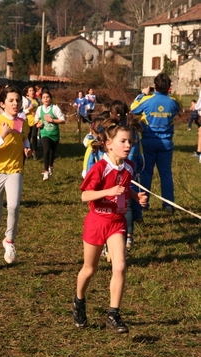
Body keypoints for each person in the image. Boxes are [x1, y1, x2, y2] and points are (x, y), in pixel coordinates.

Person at [73, 122, 147, 333]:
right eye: (123, 141)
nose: (127, 146)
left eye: (130, 142)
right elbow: (85, 195)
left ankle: (113, 314)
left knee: (120, 266)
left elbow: (123, 189)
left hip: (117, 222)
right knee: (89, 269)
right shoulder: (99, 167)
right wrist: (107, 192)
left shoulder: (129, 166)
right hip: (97, 222)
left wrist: (135, 196)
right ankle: (79, 301)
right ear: (108, 144)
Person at [0, 85, 31, 269]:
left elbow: (24, 136)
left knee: (14, 206)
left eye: (17, 100)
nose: (15, 103)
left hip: (14, 170)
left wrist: (26, 146)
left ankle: (9, 242)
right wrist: (1, 136)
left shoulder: (23, 121)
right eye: (11, 100)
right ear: (2, 104)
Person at [130, 73, 181, 214]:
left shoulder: (147, 99)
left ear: (155, 86)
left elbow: (133, 108)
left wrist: (142, 94)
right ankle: (168, 204)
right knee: (166, 173)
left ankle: (143, 204)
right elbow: (179, 107)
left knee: (146, 173)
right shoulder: (173, 101)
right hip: (166, 143)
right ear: (169, 87)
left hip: (148, 142)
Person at [109, 100, 145, 250]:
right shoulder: (132, 132)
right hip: (130, 178)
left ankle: (111, 239)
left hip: (111, 179)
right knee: (126, 206)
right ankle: (128, 236)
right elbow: (141, 159)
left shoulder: (111, 132)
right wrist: (137, 171)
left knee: (112, 208)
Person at [35, 90, 65, 181]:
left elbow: (63, 120)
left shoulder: (55, 108)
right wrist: (38, 124)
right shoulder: (39, 109)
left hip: (54, 134)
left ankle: (50, 166)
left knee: (52, 153)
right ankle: (46, 172)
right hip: (45, 133)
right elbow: (36, 120)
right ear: (41, 99)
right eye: (44, 97)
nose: (46, 99)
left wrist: (52, 120)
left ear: (51, 99)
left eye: (47, 97)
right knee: (46, 150)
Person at [22, 85, 40, 160]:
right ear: (27, 93)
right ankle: (27, 152)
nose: (32, 92)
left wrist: (37, 114)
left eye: (33, 90)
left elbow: (40, 110)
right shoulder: (26, 100)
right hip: (27, 122)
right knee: (28, 137)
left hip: (35, 121)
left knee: (34, 136)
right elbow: (22, 112)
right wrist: (29, 109)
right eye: (30, 91)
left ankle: (34, 152)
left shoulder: (37, 100)